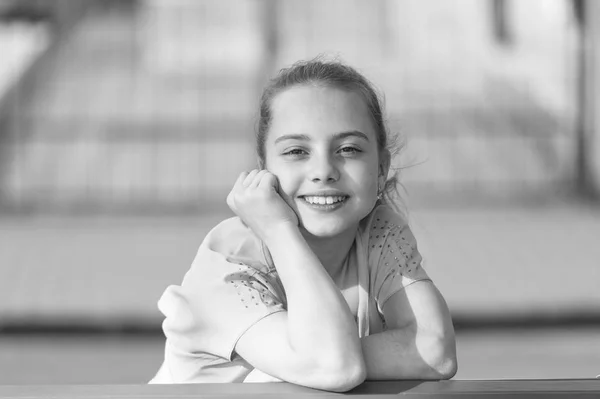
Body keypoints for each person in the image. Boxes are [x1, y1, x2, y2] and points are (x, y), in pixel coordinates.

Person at [149, 58, 457, 391]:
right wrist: (280, 231)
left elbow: (435, 350)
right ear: (263, 168)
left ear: (381, 169)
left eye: (349, 149)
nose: (323, 170)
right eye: (297, 151)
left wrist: (320, 356)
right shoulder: (229, 264)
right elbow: (334, 368)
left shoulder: (379, 231)